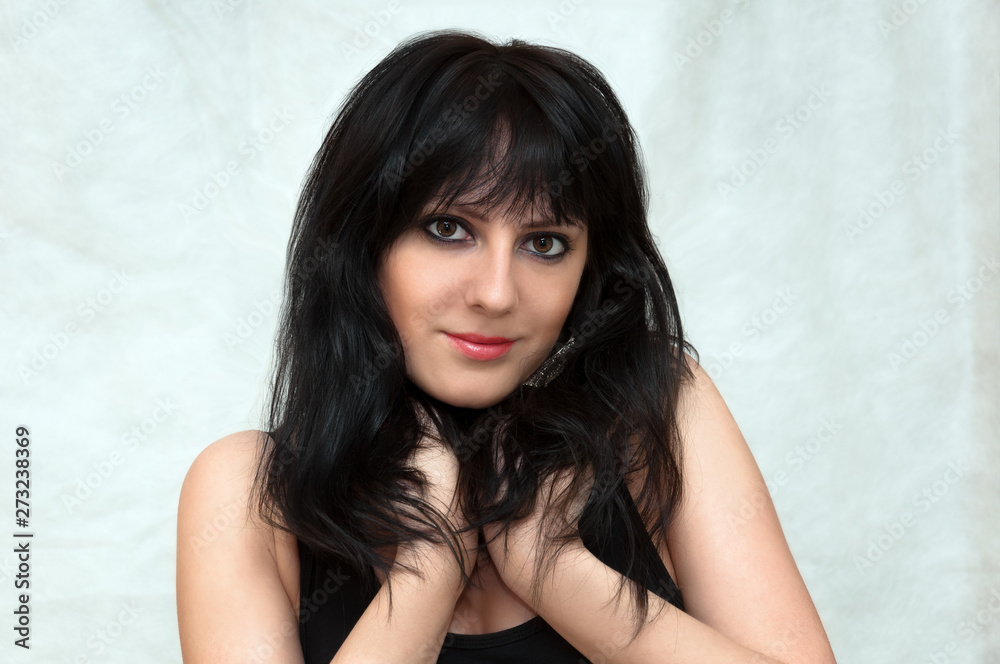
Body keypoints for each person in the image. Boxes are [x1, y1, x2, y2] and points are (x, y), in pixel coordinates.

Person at [176, 29, 837, 664]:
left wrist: (555, 568)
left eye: (544, 244)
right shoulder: (248, 494)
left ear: (591, 270)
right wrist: (430, 565)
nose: (496, 294)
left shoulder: (657, 416)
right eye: (448, 229)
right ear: (363, 245)